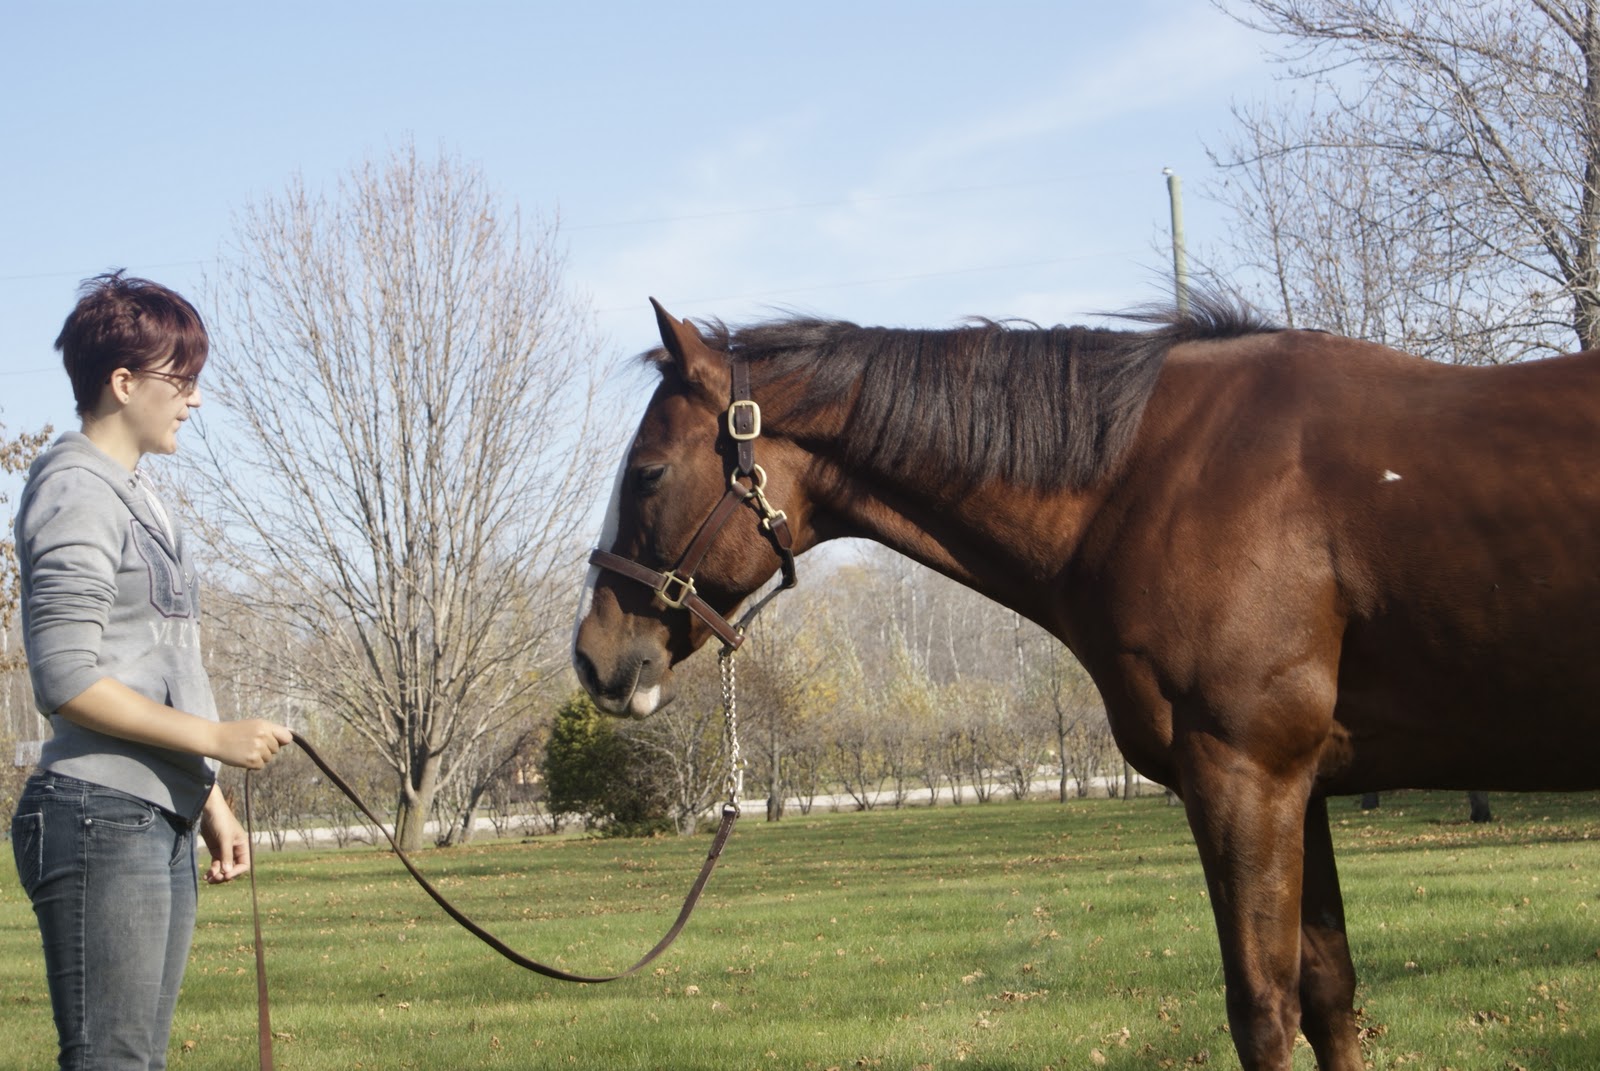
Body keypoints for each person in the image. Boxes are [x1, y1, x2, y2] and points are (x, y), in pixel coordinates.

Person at [9, 272, 293, 1070]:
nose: (195, 400)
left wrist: (210, 798)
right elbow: (66, 677)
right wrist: (214, 736)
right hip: (99, 813)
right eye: (183, 379)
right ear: (123, 381)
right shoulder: (75, 491)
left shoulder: (139, 499)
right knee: (112, 1062)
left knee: (134, 1061)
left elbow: (152, 664)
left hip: (152, 813)